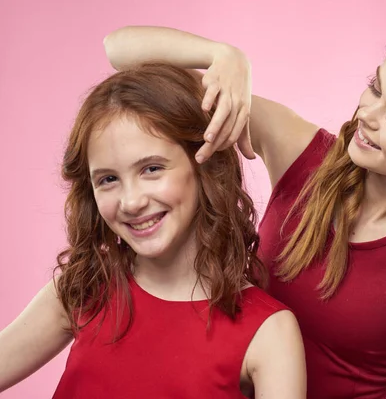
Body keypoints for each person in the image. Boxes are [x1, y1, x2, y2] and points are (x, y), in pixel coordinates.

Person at [103, 21, 386, 399]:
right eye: (375, 87)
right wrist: (222, 55)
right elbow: (120, 50)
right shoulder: (302, 154)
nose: (369, 115)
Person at [0, 63, 306, 399]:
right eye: (108, 179)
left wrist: (225, 58)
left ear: (203, 165)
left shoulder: (270, 332)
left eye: (151, 169)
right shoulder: (83, 287)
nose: (130, 202)